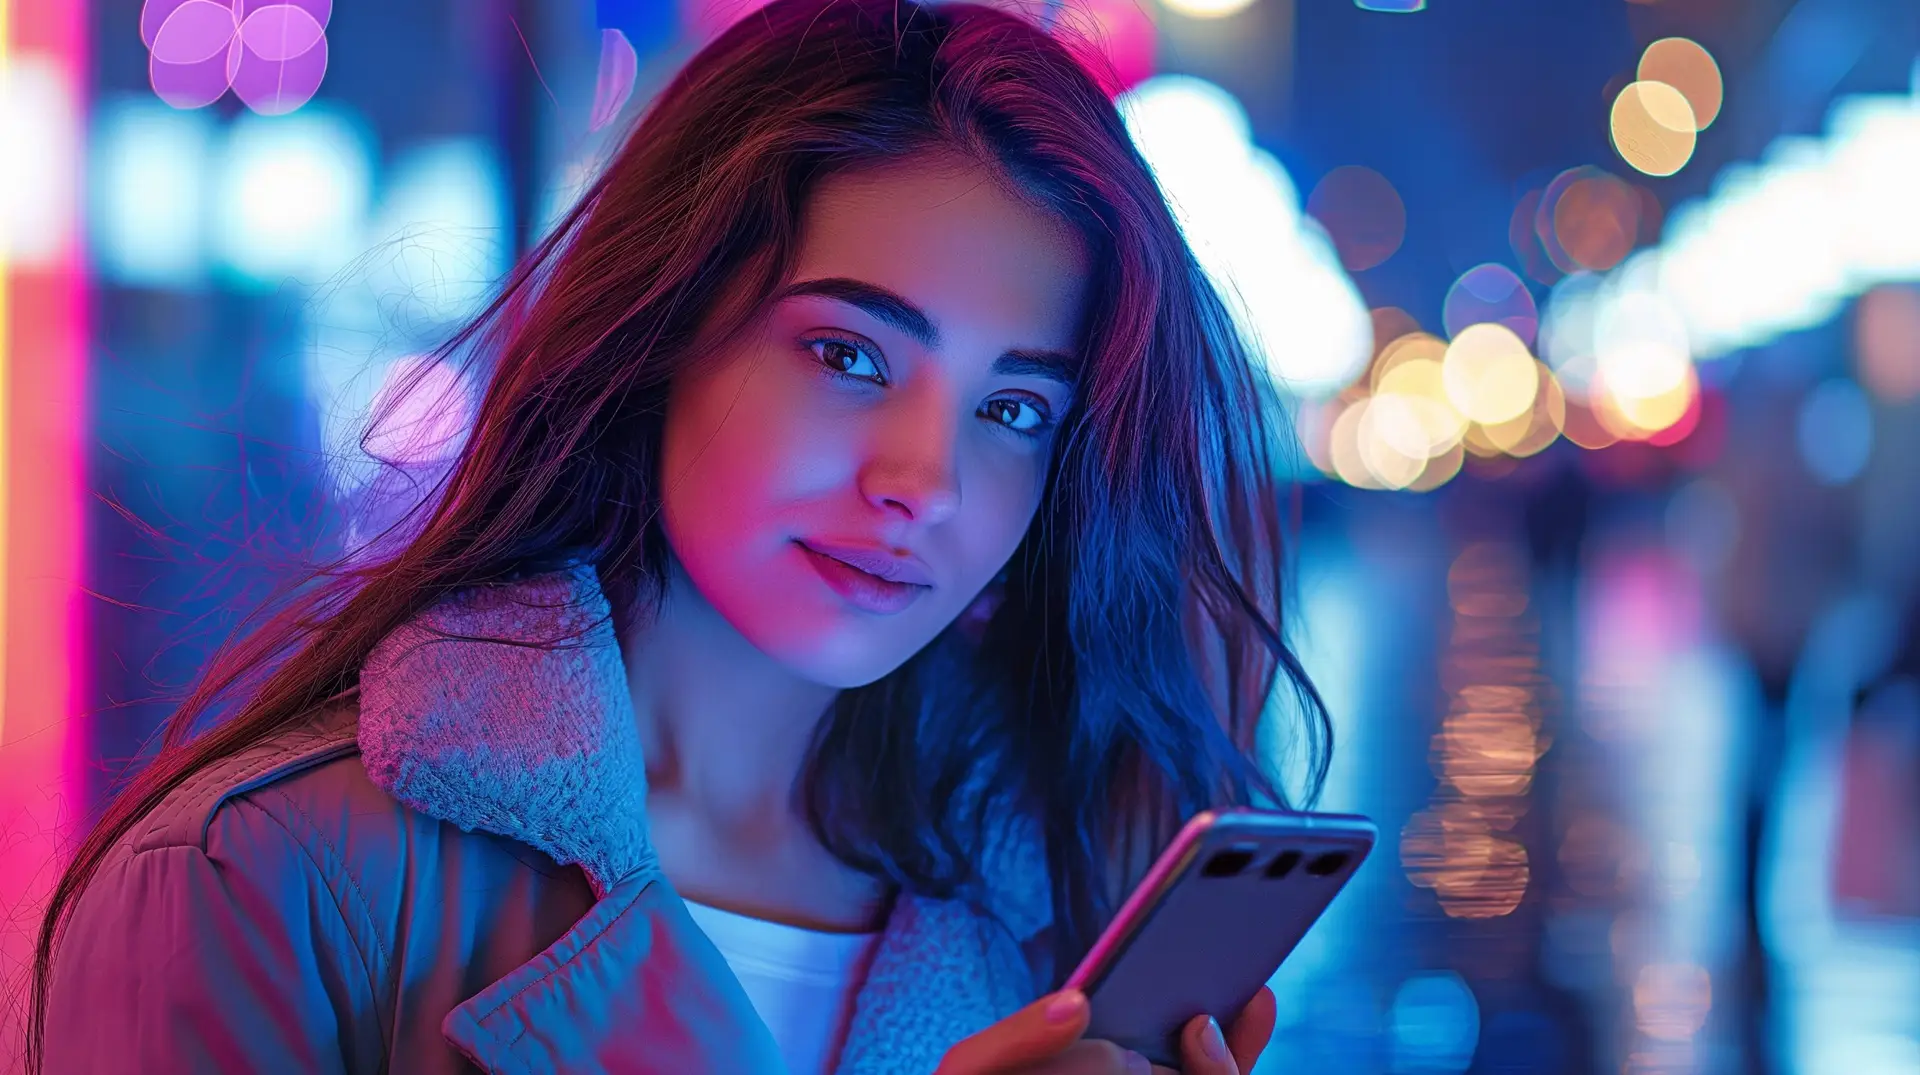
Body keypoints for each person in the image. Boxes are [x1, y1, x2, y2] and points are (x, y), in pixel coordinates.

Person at [28, 0, 1330, 1071]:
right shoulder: (262, 879)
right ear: (661, 333)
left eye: (1013, 408)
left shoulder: (1038, 924)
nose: (924, 480)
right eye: (849, 354)